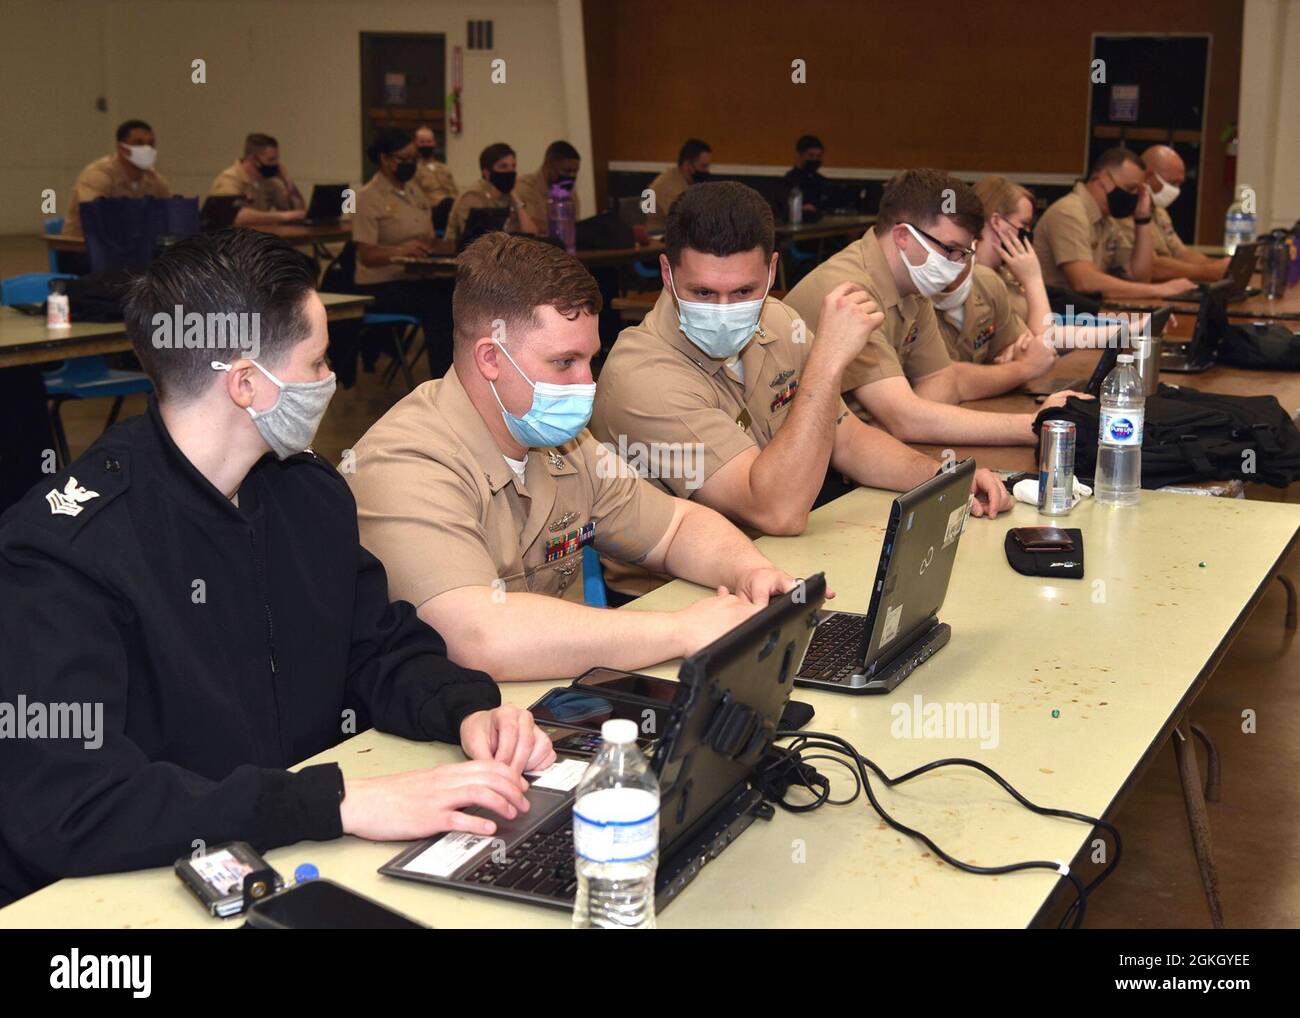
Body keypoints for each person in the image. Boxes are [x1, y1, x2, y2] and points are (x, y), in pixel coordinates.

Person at [0, 229, 554, 907]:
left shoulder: (305, 493)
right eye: (318, 362)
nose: (333, 382)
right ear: (245, 385)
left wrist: (463, 710)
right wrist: (336, 803)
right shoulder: (65, 554)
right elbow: (72, 806)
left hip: (301, 860)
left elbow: (374, 647)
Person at [345, 233, 799, 683]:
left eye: (589, 360)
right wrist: (682, 630)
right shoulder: (407, 462)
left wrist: (752, 572)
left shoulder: (562, 443)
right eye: (565, 363)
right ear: (490, 358)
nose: (587, 383)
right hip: (434, 730)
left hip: (540, 699)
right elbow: (479, 637)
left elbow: (676, 527)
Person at [589, 182, 1010, 596]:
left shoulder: (777, 321)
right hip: (675, 595)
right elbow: (778, 511)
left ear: (772, 271)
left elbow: (848, 439)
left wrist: (945, 478)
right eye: (702, 292)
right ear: (667, 273)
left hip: (774, 562)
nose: (723, 312)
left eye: (743, 291)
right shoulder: (643, 378)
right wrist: (827, 362)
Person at [784, 169, 1086, 446]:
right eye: (951, 250)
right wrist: (1036, 426)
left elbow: (942, 381)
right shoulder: (851, 291)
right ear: (903, 236)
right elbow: (906, 418)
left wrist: (899, 420)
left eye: (965, 252)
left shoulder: (913, 285)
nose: (958, 265)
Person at [972, 175, 1147, 354]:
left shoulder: (1003, 274)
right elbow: (1045, 339)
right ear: (996, 222)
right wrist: (1032, 278)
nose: (1028, 234)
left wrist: (1127, 331)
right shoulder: (978, 278)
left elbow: (1053, 333)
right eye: (1024, 225)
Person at [352, 128, 454, 379]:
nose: (411, 164)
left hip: (415, 277)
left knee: (458, 294)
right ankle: (443, 383)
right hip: (380, 283)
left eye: (414, 158)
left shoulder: (414, 191)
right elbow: (366, 254)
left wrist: (446, 246)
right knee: (439, 305)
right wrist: (400, 250)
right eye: (404, 159)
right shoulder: (366, 197)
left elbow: (427, 237)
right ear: (385, 159)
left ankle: (462, 375)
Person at [1032, 147, 1195, 301]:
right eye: (1130, 189)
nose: (1134, 196)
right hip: (1055, 317)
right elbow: (1084, 282)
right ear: (1103, 179)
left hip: (1081, 314)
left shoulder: (1107, 220)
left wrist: (1142, 219)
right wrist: (1160, 290)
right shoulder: (1069, 212)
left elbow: (1139, 275)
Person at [1110, 145, 1230, 283]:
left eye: (1179, 184)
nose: (1176, 190)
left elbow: (1181, 253)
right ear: (1148, 177)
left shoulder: (1159, 211)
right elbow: (1152, 266)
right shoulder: (1125, 209)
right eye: (1172, 183)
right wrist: (1207, 272)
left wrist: (1216, 266)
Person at [63, 119, 171, 239]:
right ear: (121, 148)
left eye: (150, 144)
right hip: (83, 249)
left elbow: (169, 216)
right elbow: (94, 216)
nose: (147, 149)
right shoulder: (98, 175)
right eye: (138, 143)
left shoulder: (154, 180)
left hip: (129, 248)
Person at [444, 143, 538, 246]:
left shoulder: (511, 196)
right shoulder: (472, 196)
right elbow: (476, 242)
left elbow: (532, 235)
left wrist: (515, 198)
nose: (510, 171)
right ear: (487, 173)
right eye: (503, 166)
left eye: (513, 166)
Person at [208, 132, 307, 226]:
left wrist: (287, 180)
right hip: (231, 240)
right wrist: (283, 217)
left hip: (257, 239)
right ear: (253, 159)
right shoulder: (229, 179)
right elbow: (236, 216)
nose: (276, 164)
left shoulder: (268, 182)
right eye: (271, 160)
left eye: (277, 159)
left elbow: (298, 211)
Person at [516, 140, 582, 239]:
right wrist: (566, 228)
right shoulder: (526, 186)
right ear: (548, 165)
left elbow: (575, 227)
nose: (571, 176)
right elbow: (534, 226)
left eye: (575, 172)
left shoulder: (569, 191)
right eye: (567, 171)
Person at [645, 138, 712, 233]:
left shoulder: (688, 181)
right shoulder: (666, 185)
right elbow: (684, 219)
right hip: (658, 237)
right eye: (703, 166)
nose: (707, 171)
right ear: (687, 165)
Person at [412, 123, 458, 213]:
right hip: (432, 212)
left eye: (429, 142)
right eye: (422, 142)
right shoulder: (414, 170)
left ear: (434, 143)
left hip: (453, 209)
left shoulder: (444, 168)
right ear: (415, 144)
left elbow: (454, 191)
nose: (426, 145)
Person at [782, 134, 828, 220]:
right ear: (799, 155)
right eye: (811, 155)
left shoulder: (821, 180)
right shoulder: (790, 180)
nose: (815, 160)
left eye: (819, 156)